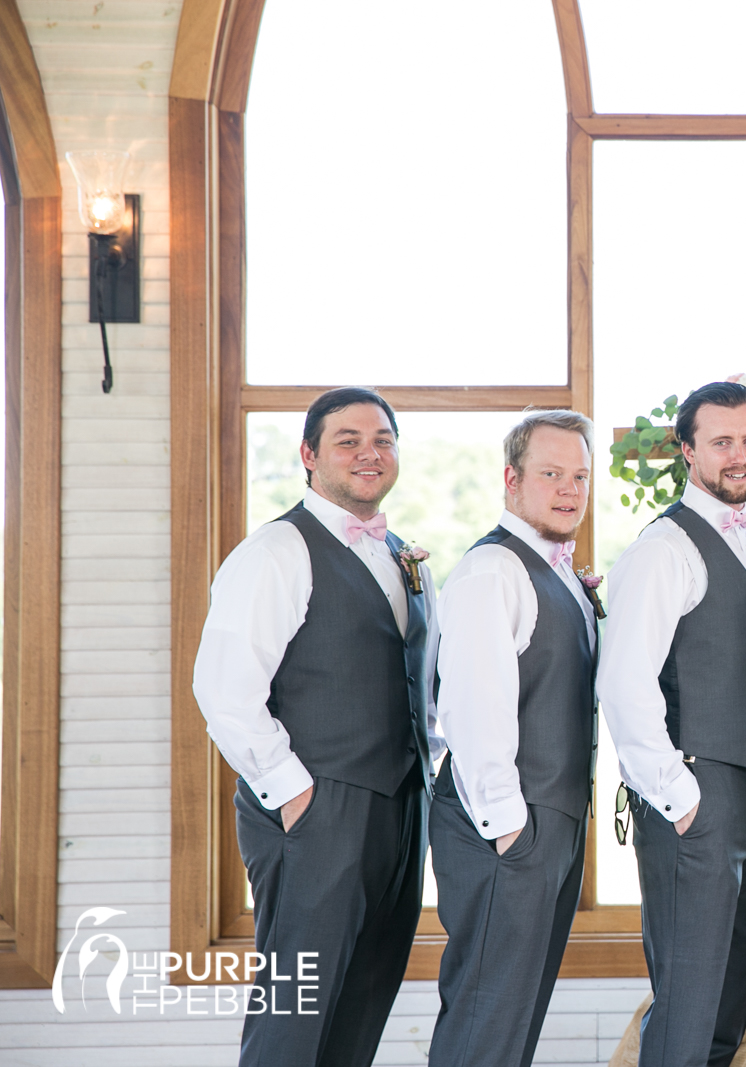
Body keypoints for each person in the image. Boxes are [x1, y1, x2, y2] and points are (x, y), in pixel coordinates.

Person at [192, 387, 436, 1067]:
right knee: (294, 1017)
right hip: (317, 809)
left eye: (383, 439)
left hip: (398, 808)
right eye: (348, 439)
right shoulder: (276, 550)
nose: (369, 452)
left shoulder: (402, 557)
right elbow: (224, 688)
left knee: (362, 1001)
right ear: (309, 454)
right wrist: (297, 795)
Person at [597, 381, 746, 1067]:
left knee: (728, 1002)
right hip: (693, 793)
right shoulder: (664, 548)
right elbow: (623, 680)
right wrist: (678, 797)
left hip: (745, 791)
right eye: (722, 441)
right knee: (688, 1006)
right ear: (687, 450)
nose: (740, 455)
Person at [427, 409, 599, 1066]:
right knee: (484, 1024)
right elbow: (471, 706)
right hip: (506, 829)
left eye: (579, 475)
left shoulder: (555, 571)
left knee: (509, 1028)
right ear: (512, 479)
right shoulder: (493, 570)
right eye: (552, 472)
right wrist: (509, 832)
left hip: (543, 829)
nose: (569, 488)